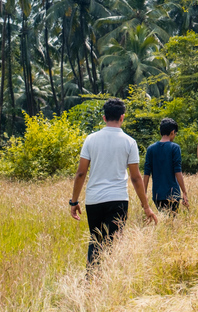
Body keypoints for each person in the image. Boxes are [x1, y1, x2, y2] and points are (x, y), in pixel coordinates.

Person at [70, 98, 158, 268]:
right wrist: (146, 206)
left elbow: (81, 173)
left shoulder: (90, 139)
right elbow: (135, 177)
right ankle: (112, 282)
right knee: (115, 243)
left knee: (95, 242)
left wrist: (74, 201)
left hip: (94, 200)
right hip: (118, 199)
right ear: (122, 117)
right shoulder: (129, 142)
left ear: (104, 117)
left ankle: (91, 282)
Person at [143, 118, 188, 214]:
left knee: (162, 219)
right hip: (173, 194)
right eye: (175, 134)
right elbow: (177, 171)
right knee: (171, 221)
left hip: (157, 195)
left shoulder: (151, 149)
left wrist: (144, 194)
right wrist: (184, 192)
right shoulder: (175, 148)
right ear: (172, 132)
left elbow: (146, 173)